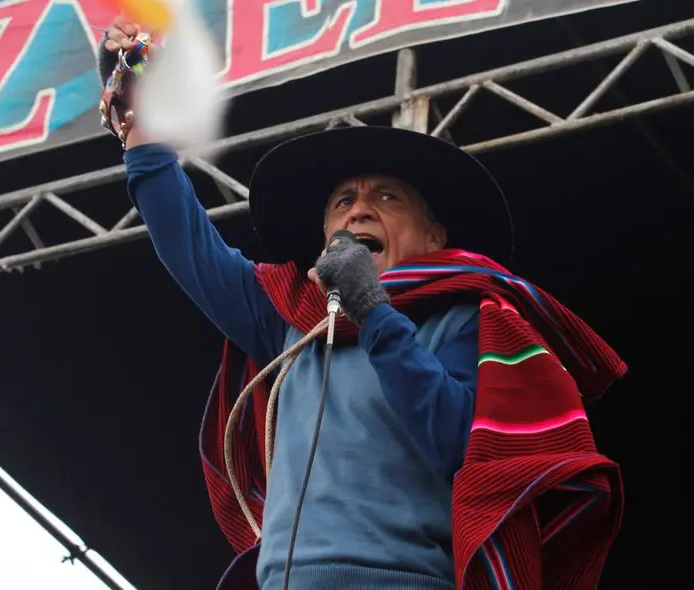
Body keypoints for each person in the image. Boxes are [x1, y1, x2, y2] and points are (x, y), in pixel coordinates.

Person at [100, 18, 627, 590]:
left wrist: (374, 312)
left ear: (434, 240)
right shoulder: (288, 316)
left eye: (386, 197)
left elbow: (462, 447)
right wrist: (140, 120)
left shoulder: (468, 317)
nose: (358, 211)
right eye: (342, 202)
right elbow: (187, 241)